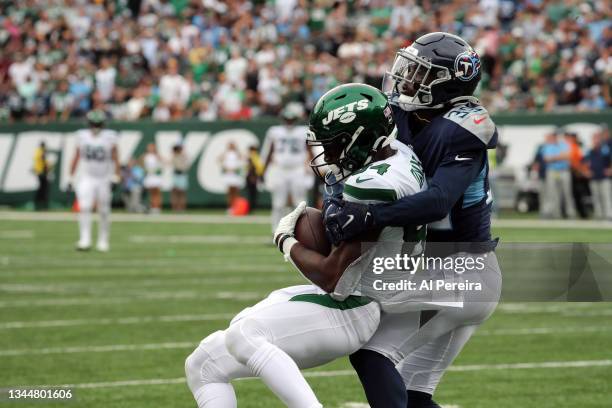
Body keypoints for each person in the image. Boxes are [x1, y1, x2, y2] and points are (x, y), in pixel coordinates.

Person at [185, 84, 425, 408]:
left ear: (360, 137)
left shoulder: (370, 184)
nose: (330, 155)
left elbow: (333, 279)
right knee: (203, 364)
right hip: (364, 293)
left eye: (336, 144)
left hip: (356, 305)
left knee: (245, 335)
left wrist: (286, 241)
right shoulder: (401, 156)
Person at [321, 33, 502, 408]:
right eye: (408, 67)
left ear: (448, 83)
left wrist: (370, 215)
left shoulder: (464, 128)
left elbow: (437, 202)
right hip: (439, 270)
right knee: (416, 398)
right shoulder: (398, 114)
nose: (406, 78)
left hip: (463, 269)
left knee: (371, 351)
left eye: (420, 73)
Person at [69, 110, 119, 252]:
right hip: (87, 177)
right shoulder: (82, 136)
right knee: (84, 207)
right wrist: (70, 176)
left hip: (104, 177)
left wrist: (116, 175)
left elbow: (116, 157)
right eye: (93, 123)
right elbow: (76, 156)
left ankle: (103, 240)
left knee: (104, 210)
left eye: (98, 123)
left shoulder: (110, 137)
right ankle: (85, 239)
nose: (95, 126)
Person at [262, 102, 312, 232]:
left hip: (298, 169)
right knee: (278, 204)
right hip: (280, 169)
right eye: (287, 119)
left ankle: (303, 232)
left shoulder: (303, 131)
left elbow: (310, 151)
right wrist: (263, 170)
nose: (289, 122)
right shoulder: (275, 131)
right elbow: (269, 151)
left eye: (291, 119)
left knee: (300, 203)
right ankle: (276, 232)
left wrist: (311, 167)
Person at [541, 130, 576, 219]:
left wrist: (554, 157)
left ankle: (571, 213)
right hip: (553, 171)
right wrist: (560, 156)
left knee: (567, 193)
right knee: (552, 193)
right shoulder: (548, 146)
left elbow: (568, 156)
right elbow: (546, 158)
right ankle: (555, 213)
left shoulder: (564, 144)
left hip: (564, 170)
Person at [583, 130, 612, 220]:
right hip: (594, 177)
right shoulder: (589, 150)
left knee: (606, 196)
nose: (596, 140)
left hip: (604, 176)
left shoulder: (605, 149)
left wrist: (610, 169)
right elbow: (584, 162)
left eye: (597, 138)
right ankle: (598, 214)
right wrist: (586, 171)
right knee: (596, 196)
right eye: (594, 138)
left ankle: (608, 214)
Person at [219, 142, 243, 210]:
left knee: (236, 191)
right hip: (228, 175)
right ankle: (230, 207)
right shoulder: (226, 153)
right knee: (229, 192)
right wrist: (226, 168)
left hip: (235, 175)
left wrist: (237, 149)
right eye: (230, 145)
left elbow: (241, 157)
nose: (231, 146)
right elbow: (220, 159)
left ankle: (237, 207)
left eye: (233, 145)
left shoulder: (236, 153)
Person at [143, 143, 163, 214]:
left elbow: (162, 163)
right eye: (149, 147)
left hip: (156, 177)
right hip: (149, 176)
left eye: (152, 147)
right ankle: (153, 207)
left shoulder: (157, 156)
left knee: (157, 193)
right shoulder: (145, 156)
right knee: (151, 193)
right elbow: (143, 165)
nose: (150, 148)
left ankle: (157, 208)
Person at [170, 144, 189, 211]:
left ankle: (182, 207)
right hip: (176, 175)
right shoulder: (174, 156)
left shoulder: (183, 156)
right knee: (175, 192)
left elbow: (185, 166)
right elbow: (172, 163)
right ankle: (175, 207)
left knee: (181, 192)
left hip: (182, 175)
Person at [245, 145, 264, 213]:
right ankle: (252, 208)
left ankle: (251, 208)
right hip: (254, 176)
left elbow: (253, 167)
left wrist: (252, 176)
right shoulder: (256, 156)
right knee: (253, 193)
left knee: (251, 193)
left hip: (252, 177)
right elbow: (260, 168)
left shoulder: (252, 156)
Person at [33, 141, 50, 210]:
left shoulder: (37, 151)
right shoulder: (41, 152)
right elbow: (44, 162)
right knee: (43, 188)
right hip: (42, 172)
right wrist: (48, 168)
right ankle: (41, 204)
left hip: (40, 172)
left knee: (42, 187)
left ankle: (39, 203)